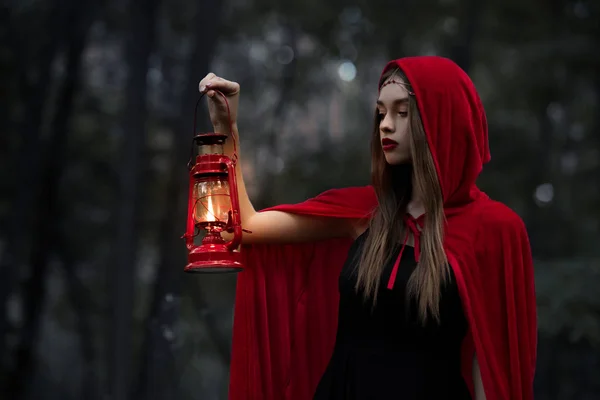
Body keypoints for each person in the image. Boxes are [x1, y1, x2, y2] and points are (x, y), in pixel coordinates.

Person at [198, 56, 537, 400]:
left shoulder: (495, 230)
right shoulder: (365, 212)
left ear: (443, 122)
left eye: (402, 113)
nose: (386, 126)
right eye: (381, 113)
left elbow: (493, 368)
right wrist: (227, 129)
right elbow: (240, 227)